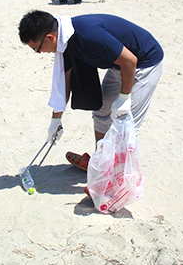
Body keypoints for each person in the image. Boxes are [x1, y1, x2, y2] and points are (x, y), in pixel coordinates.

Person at [18, 10, 164, 172]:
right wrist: (56, 120)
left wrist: (124, 97)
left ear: (49, 38)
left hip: (144, 63)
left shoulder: (87, 35)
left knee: (125, 124)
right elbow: (64, 83)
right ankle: (101, 164)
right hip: (119, 66)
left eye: (37, 49)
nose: (40, 53)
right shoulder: (64, 40)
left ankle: (117, 181)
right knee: (102, 112)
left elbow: (130, 61)